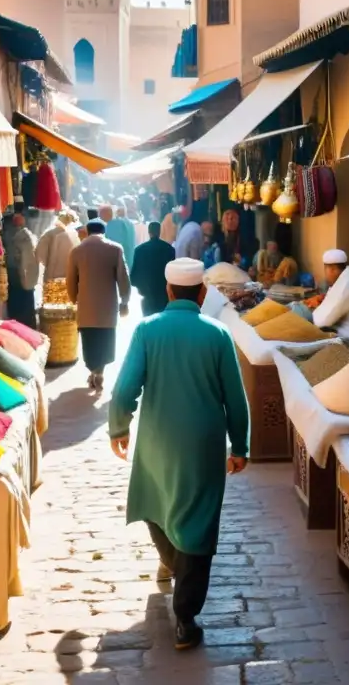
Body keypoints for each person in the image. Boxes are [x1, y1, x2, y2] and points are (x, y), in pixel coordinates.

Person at [109, 258, 249, 651]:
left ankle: (172, 560)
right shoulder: (218, 334)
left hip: (156, 441)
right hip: (204, 445)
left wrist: (119, 427)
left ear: (169, 291)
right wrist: (240, 446)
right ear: (202, 294)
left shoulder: (147, 330)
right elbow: (236, 401)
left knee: (156, 503)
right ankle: (185, 618)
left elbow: (123, 391)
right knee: (199, 521)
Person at [67, 218, 131, 393]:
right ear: (104, 231)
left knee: (90, 342)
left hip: (86, 308)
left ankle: (94, 371)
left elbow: (71, 281)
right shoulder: (115, 249)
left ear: (87, 232)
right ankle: (100, 372)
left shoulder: (77, 251)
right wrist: (124, 302)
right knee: (105, 341)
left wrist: (74, 300)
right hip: (107, 308)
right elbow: (123, 279)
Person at [131, 221, 176, 316]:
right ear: (159, 232)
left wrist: (141, 286)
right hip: (164, 294)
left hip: (147, 294)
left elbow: (134, 276)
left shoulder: (139, 250)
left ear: (149, 232)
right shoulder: (169, 249)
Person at [5, 205, 39, 329]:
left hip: (19, 275)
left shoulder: (23, 236)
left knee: (20, 306)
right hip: (20, 276)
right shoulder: (23, 235)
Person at [37, 209, 81, 281]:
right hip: (69, 277)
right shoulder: (75, 235)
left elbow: (40, 254)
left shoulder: (50, 234)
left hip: (52, 276)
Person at [107, 206, 137, 270]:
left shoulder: (114, 223)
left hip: (118, 258)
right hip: (129, 257)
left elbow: (112, 240)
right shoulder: (130, 224)